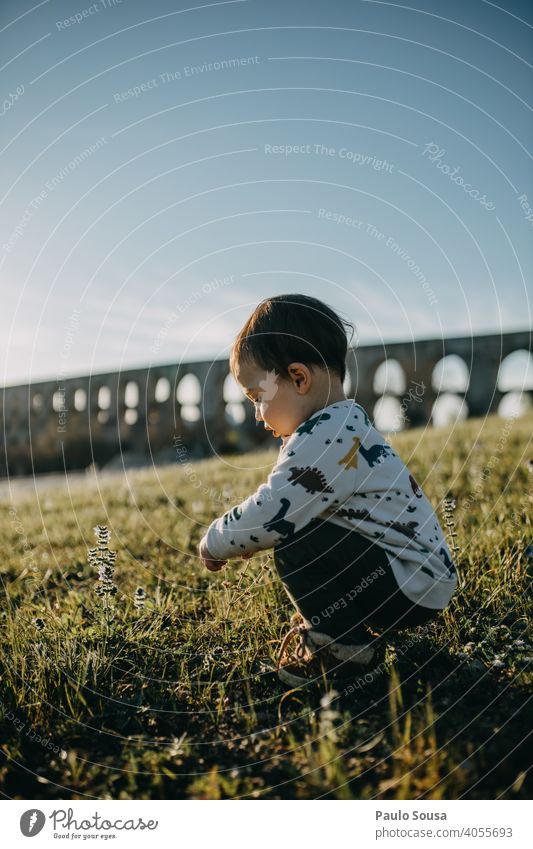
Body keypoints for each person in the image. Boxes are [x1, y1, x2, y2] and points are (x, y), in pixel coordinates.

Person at [198, 294, 457, 688]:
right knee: (306, 533)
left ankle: (344, 649)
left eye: (257, 397)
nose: (257, 414)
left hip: (408, 585)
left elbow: (274, 512)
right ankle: (345, 625)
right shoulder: (343, 424)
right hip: (418, 579)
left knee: (297, 546)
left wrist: (217, 539)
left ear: (299, 378)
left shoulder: (324, 436)